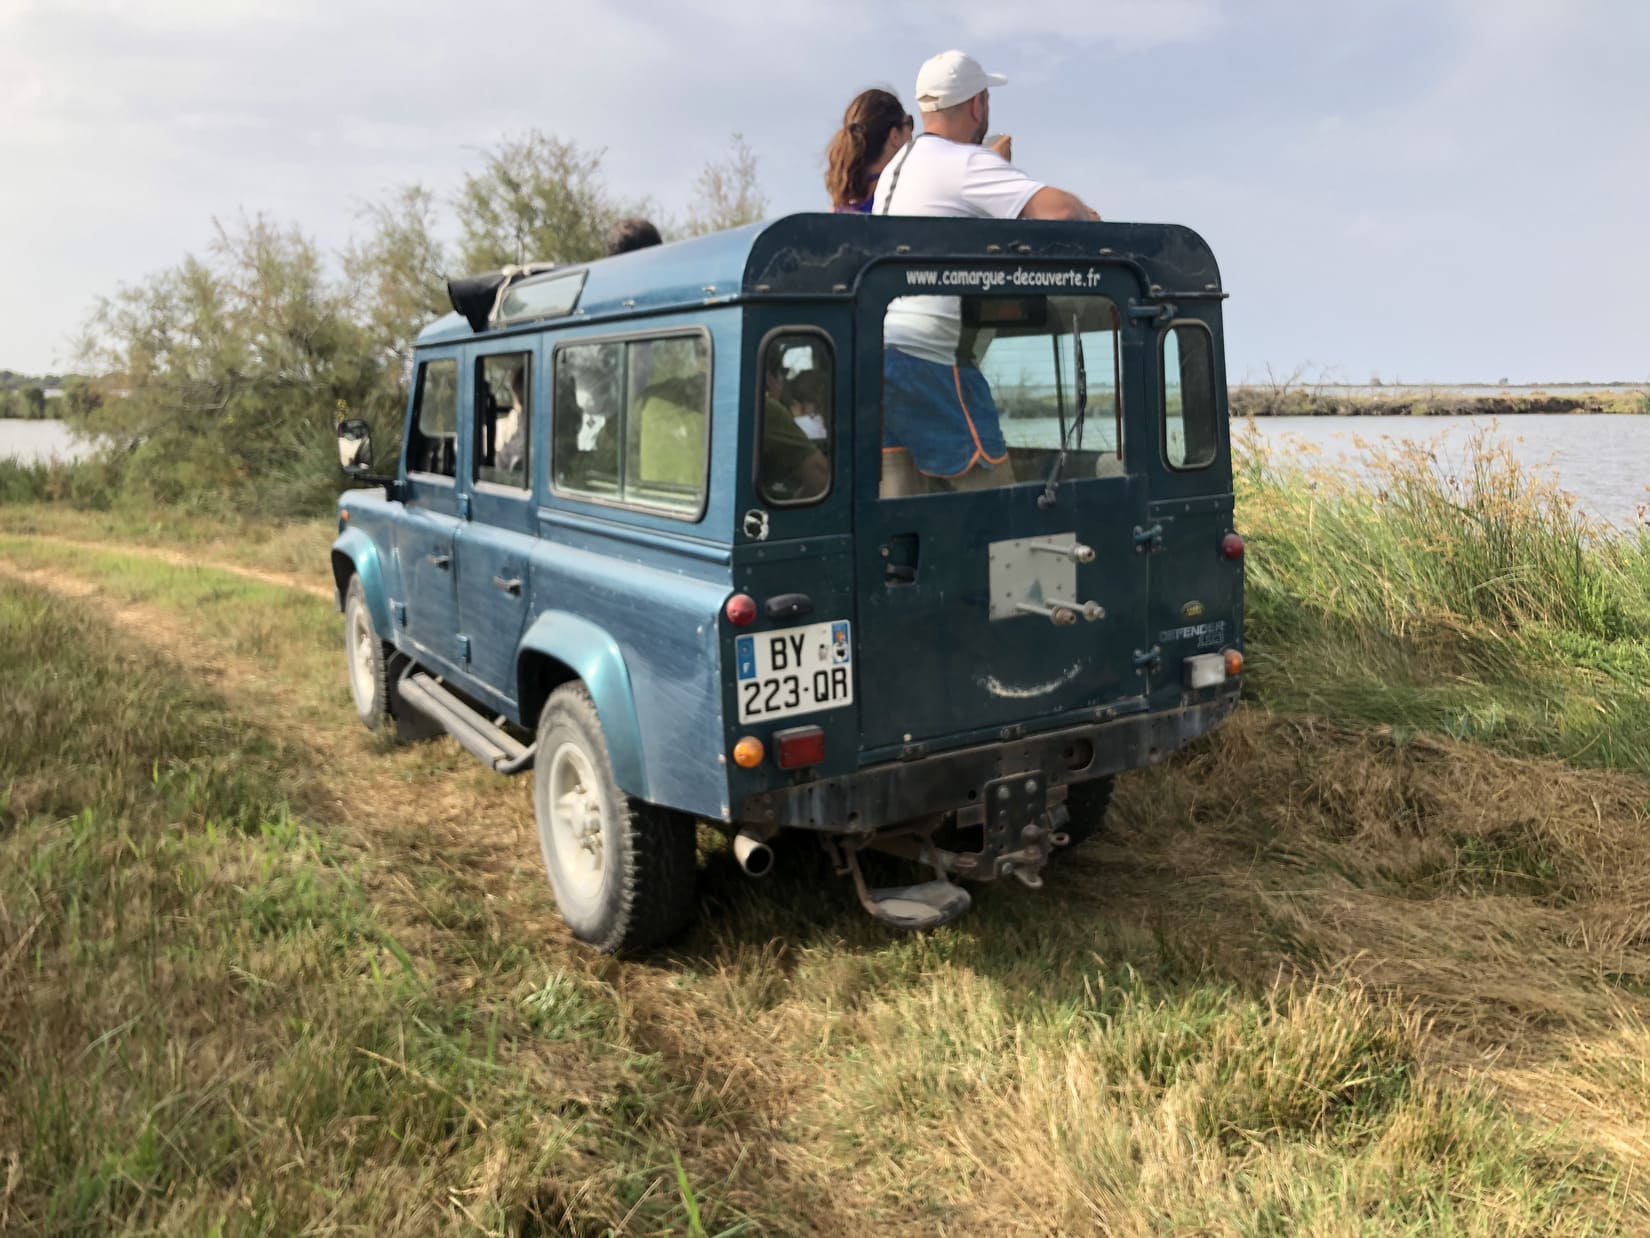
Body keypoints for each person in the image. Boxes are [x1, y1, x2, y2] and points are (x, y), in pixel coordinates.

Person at [873, 50, 1101, 495]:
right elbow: (1058, 211)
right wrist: (1087, 216)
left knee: (902, 501)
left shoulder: (896, 168)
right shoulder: (962, 163)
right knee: (996, 499)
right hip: (928, 357)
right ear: (978, 105)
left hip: (877, 353)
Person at [824, 88, 914, 214]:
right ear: (894, 136)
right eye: (909, 124)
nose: (912, 135)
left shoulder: (840, 210)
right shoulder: (905, 199)